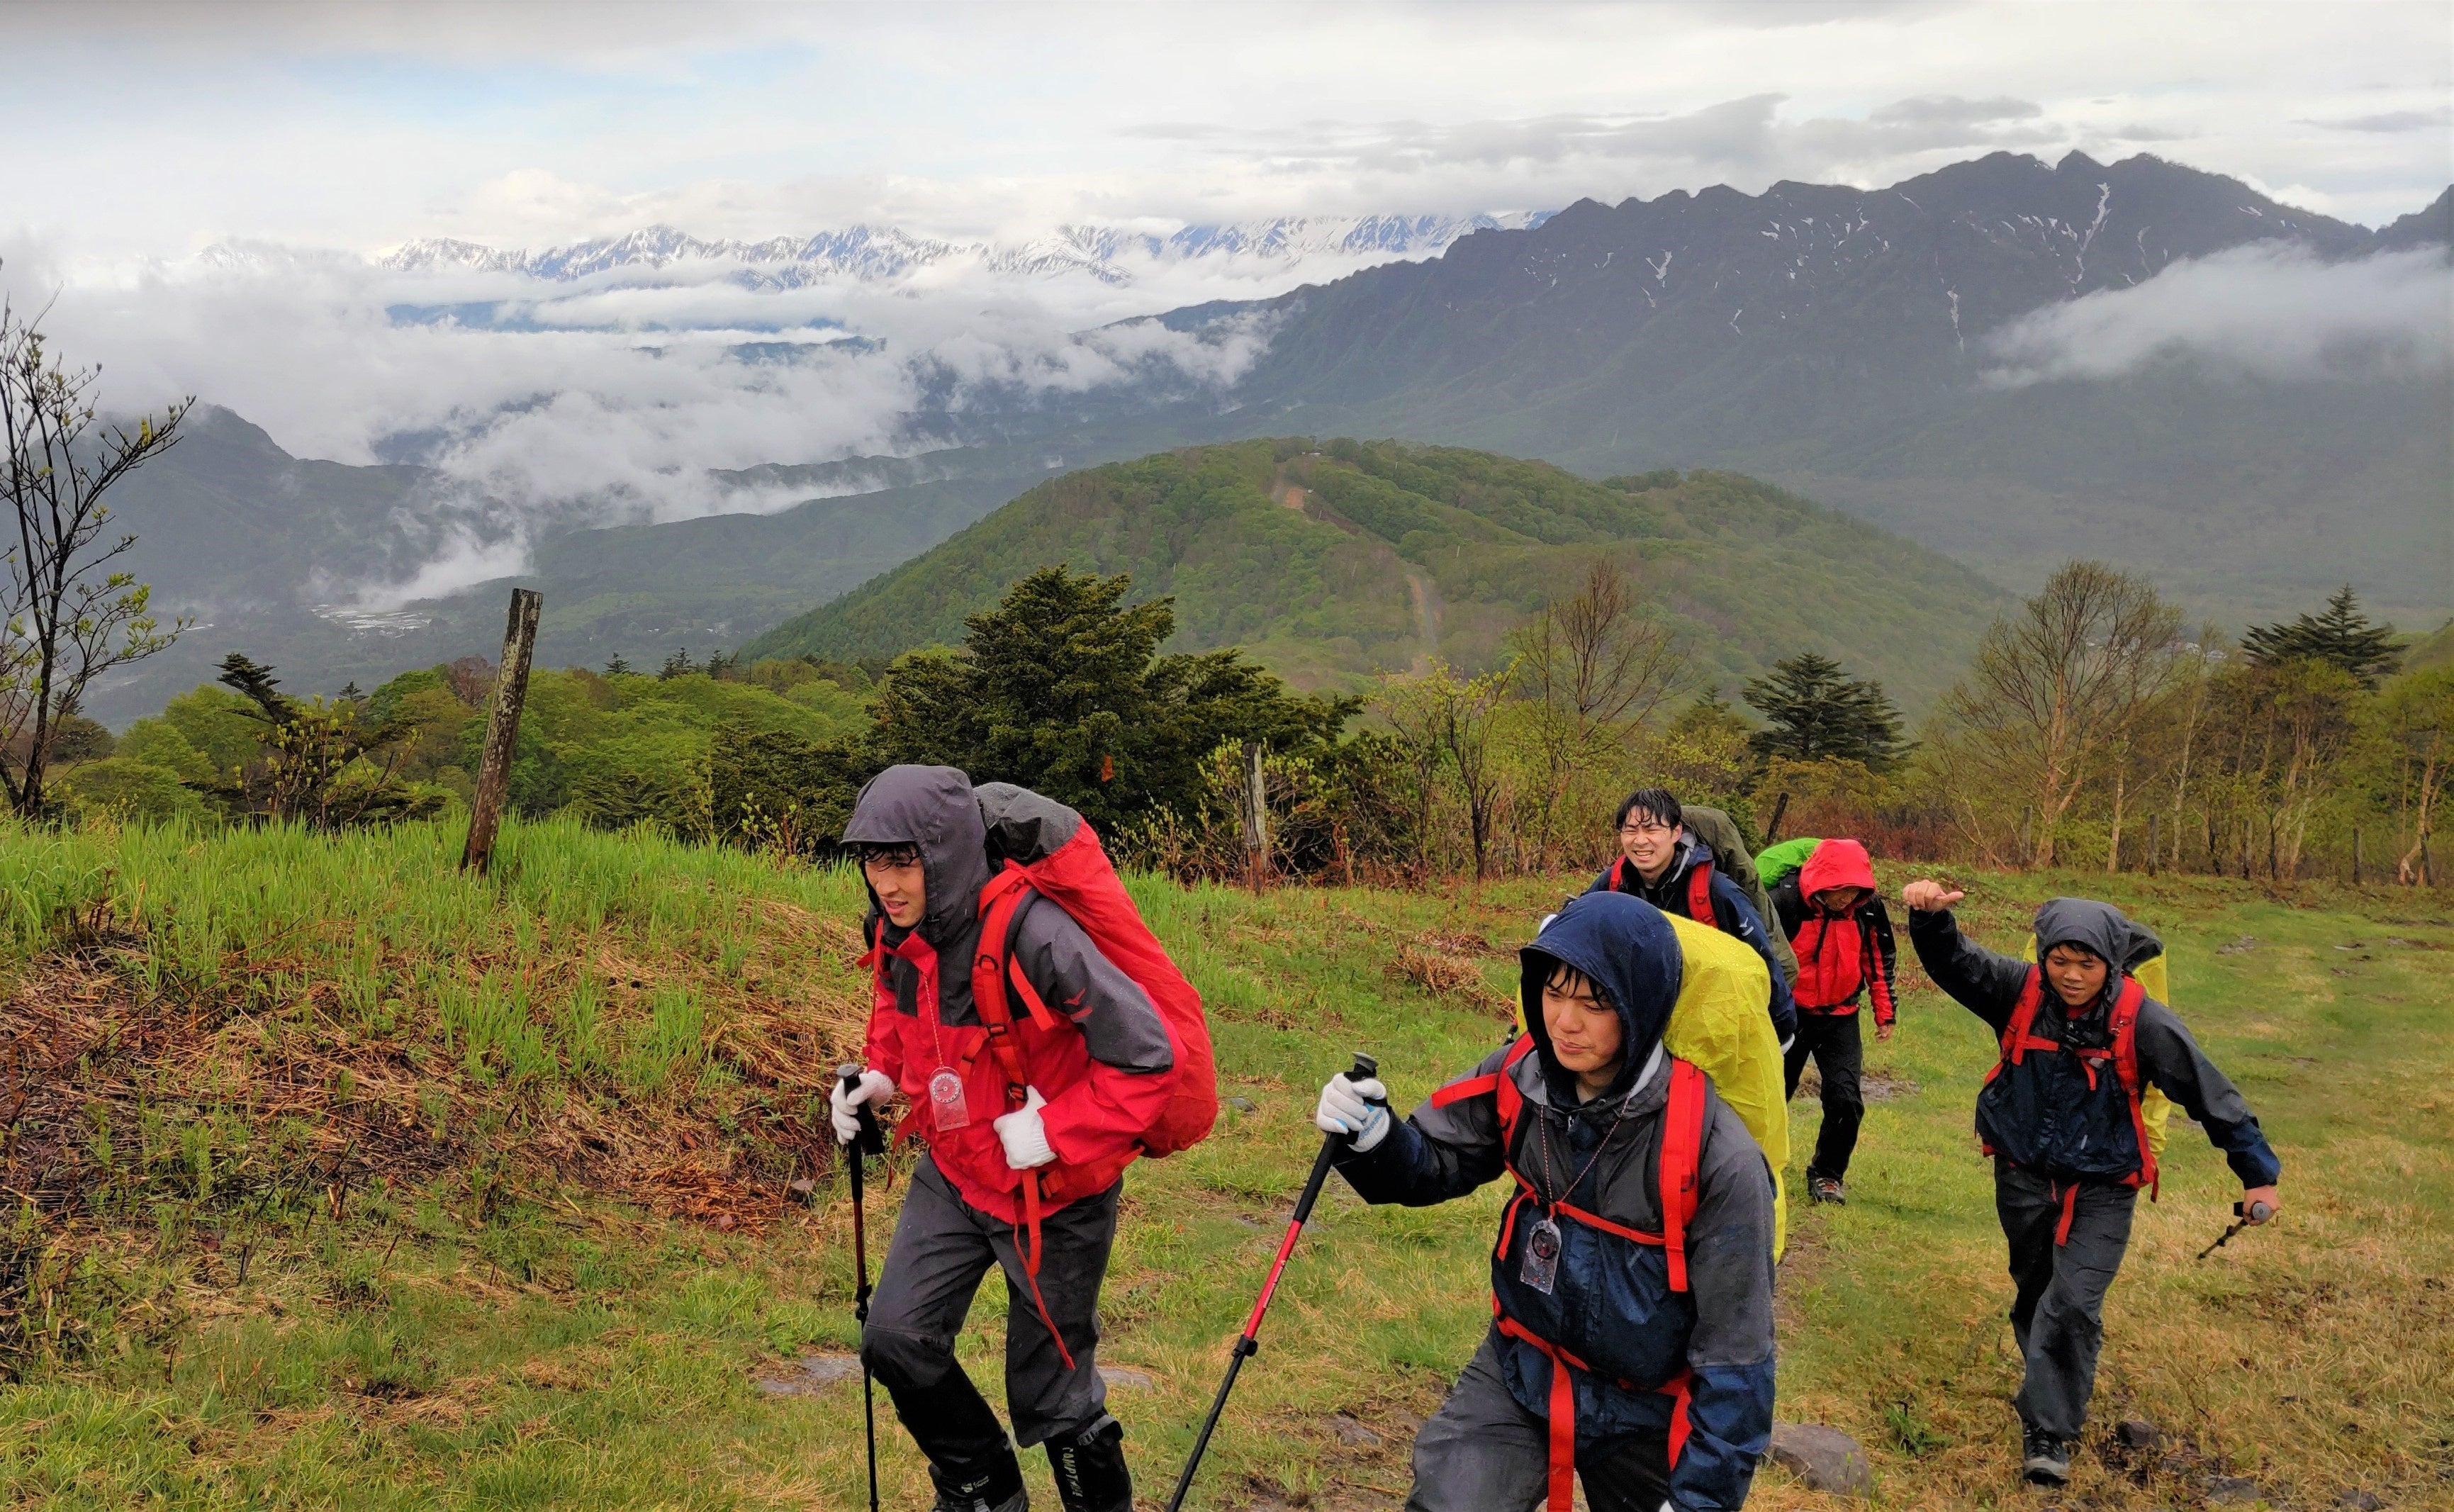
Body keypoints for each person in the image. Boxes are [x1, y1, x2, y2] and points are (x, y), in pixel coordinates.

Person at [1313, 890, 1776, 1512]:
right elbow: (1433, 1162)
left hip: (1655, 1406)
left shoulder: (1719, 1158)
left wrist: (1701, 1500)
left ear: (1643, 1005)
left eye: (1595, 1002)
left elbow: (1737, 1357)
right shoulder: (1518, 1077)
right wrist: (1375, 1140)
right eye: (1554, 994)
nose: (1565, 1021)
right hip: (1523, 1368)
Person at [830, 766, 1177, 1512]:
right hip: (957, 1172)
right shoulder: (899, 933)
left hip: (1055, 1196)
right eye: (875, 862)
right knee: (894, 1336)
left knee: (1053, 1394)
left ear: (945, 853)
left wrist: (1052, 1129)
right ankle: (981, 1490)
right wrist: (880, 1082)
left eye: (903, 861)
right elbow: (898, 1014)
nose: (886, 883)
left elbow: (1149, 1058)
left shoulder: (1036, 934)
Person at [1900, 881, 2282, 1489]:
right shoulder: (2020, 992)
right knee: (2036, 1288)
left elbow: (2213, 1095)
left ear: (2111, 962)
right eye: (2059, 960)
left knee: (2074, 1300)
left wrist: (2258, 1174)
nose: (2071, 975)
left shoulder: (2144, 1020)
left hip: (2103, 1186)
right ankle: (2049, 1381)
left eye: (2086, 963)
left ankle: (2048, 1432)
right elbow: (1957, 964)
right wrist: (1928, 920)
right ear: (2043, 955)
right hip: (2024, 1175)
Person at [1591, 788, 1796, 1046]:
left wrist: (1780, 1030)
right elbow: (1575, 932)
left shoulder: (1717, 892)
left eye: (1652, 830)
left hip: (1709, 1032)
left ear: (1676, 832)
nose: (1640, 841)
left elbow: (1763, 960)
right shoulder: (1612, 884)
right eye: (1630, 830)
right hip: (1641, 1026)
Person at [1766, 839, 1898, 1205]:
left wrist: (1885, 1012)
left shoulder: (1867, 909)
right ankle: (1757, 1169)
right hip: (1787, 1015)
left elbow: (1879, 958)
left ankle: (1827, 1174)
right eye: (1842, 890)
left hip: (1841, 1015)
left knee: (1845, 1100)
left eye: (1855, 890)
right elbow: (1758, 959)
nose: (1848, 898)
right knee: (1773, 1096)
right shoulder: (1784, 903)